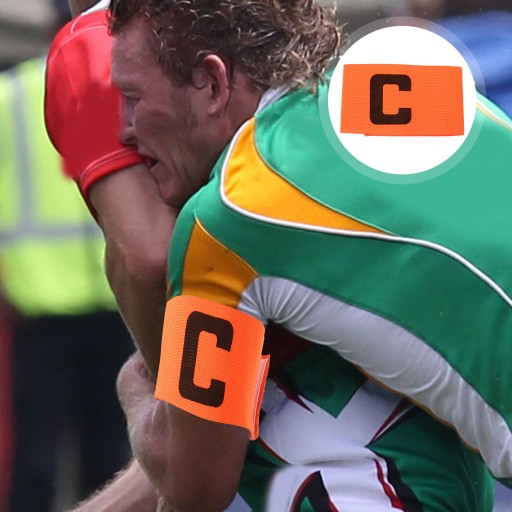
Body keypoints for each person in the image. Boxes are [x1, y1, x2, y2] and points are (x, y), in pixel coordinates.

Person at [45, 0, 507, 511]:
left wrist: (137, 395)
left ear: (213, 83)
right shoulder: (405, 85)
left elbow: (194, 489)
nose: (125, 129)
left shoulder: (226, 219)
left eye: (132, 98)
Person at [0, 56, 135, 511]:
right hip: (103, 299)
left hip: (42, 301)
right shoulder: (117, 88)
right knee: (107, 454)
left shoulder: (12, 94)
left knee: (38, 456)